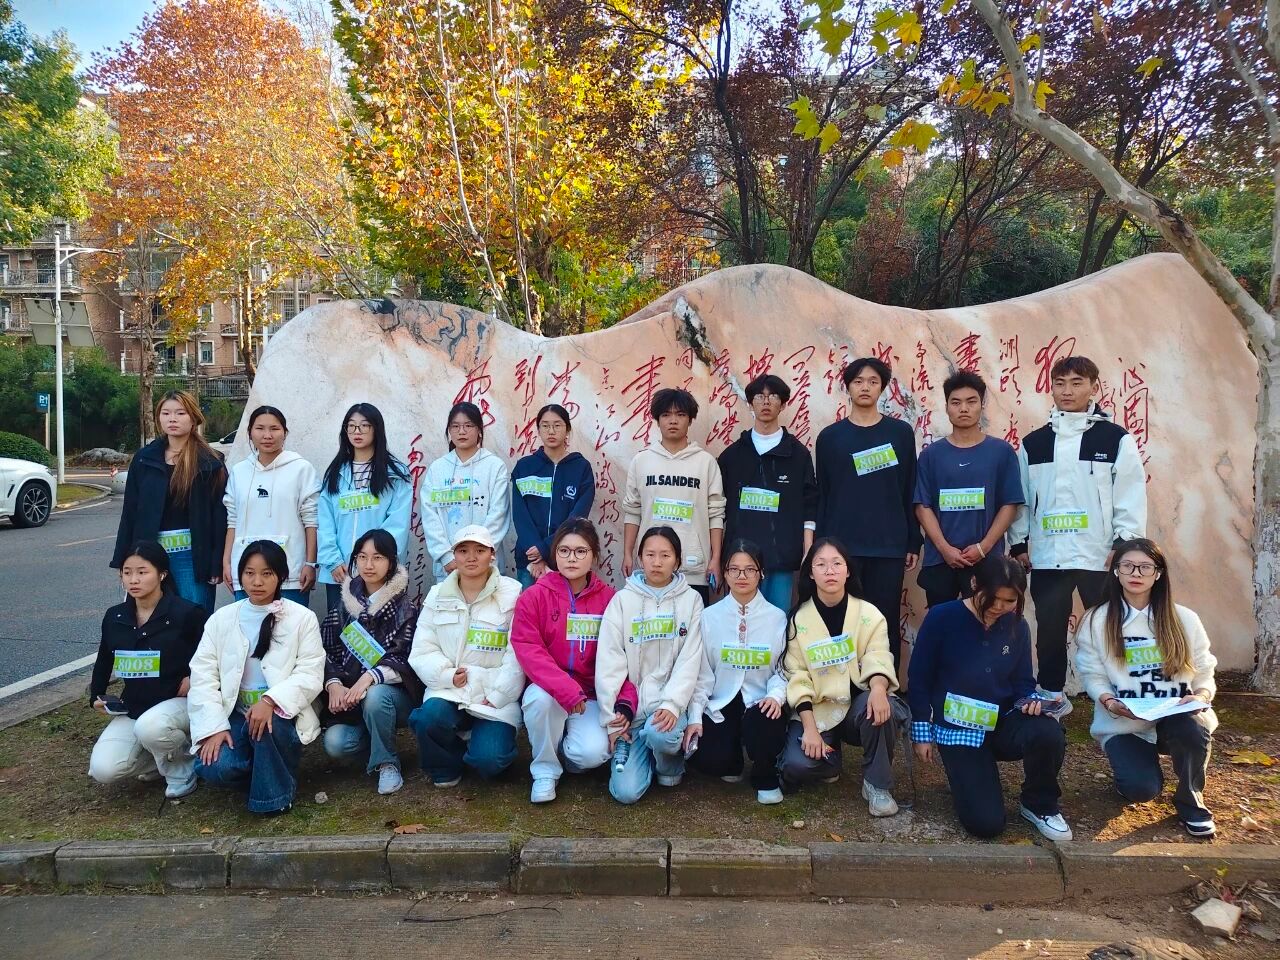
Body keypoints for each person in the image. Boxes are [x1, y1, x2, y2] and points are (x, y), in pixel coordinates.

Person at [1008, 355, 1147, 716]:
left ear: (1094, 387)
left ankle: (1123, 694)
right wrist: (1019, 542)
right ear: (1051, 388)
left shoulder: (1115, 439)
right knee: (1050, 629)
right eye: (1060, 383)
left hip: (1099, 554)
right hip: (1049, 554)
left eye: (1076, 383)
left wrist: (1124, 543)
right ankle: (1052, 695)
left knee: (1111, 625)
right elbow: (1022, 498)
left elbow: (1130, 492)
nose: (1067, 391)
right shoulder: (1034, 443)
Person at [908, 555, 1072, 841]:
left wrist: (1032, 702)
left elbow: (1022, 681)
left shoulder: (1017, 626)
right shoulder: (942, 618)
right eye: (993, 598)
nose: (999, 607)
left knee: (1048, 732)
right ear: (974, 584)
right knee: (986, 823)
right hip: (957, 731)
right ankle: (970, 777)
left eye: (1009, 601)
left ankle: (1039, 804)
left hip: (1002, 724)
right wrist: (921, 731)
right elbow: (920, 676)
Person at [1075, 539, 1218, 837]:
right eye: (1127, 566)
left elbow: (1204, 669)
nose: (1136, 573)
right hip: (1125, 721)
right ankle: (1134, 770)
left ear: (1159, 573)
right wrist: (1109, 701)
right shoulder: (1096, 620)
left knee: (1193, 729)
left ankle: (1192, 803)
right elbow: (1092, 674)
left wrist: (1201, 695)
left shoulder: (1184, 619)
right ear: (1116, 571)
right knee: (1141, 790)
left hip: (1175, 713)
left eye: (1145, 567)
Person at [189, 540, 324, 815]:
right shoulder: (221, 619)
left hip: (281, 713)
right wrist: (214, 727)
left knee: (266, 727)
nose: (257, 581)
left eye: (267, 573)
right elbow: (203, 676)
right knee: (216, 766)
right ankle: (267, 768)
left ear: (281, 576)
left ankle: (273, 800)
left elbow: (310, 672)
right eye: (249, 573)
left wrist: (270, 701)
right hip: (235, 712)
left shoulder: (302, 618)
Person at [511, 517, 636, 803]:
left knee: (591, 755)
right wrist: (564, 689)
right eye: (564, 551)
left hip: (591, 694)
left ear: (594, 556)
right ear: (554, 554)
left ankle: (565, 753)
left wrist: (625, 702)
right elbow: (528, 647)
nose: (571, 558)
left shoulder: (611, 600)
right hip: (550, 689)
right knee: (539, 701)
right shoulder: (534, 596)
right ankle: (545, 770)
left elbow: (625, 656)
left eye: (581, 551)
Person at [779, 538, 906, 817]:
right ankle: (830, 758)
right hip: (820, 710)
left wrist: (878, 689)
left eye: (837, 563)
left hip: (859, 709)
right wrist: (810, 729)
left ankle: (877, 785)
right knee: (796, 766)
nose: (830, 571)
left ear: (848, 570)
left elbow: (878, 654)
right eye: (821, 565)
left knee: (882, 707)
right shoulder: (799, 619)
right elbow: (797, 675)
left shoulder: (869, 614)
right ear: (810, 573)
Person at [814, 358, 921, 668]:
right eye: (858, 381)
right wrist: (822, 547)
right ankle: (844, 688)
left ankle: (885, 686)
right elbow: (824, 495)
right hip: (842, 549)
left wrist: (913, 541)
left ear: (882, 388)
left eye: (873, 381)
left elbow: (909, 488)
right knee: (842, 621)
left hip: (888, 546)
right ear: (847, 387)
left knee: (884, 621)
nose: (865, 387)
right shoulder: (830, 438)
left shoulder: (900, 433)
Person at [88, 540, 208, 799]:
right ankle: (157, 760)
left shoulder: (187, 614)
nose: (133, 580)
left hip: (180, 703)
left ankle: (183, 768)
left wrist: (194, 678)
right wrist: (97, 696)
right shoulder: (115, 616)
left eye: (142, 572)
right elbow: (104, 659)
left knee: (152, 727)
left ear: (162, 574)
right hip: (135, 707)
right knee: (104, 769)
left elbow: (213, 657)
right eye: (127, 572)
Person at [596, 525, 706, 804]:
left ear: (677, 561)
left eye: (665, 555)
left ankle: (668, 762)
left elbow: (690, 659)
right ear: (639, 558)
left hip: (668, 708)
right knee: (626, 793)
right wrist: (612, 719)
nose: (657, 562)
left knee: (661, 736)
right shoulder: (622, 600)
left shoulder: (692, 600)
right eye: (650, 554)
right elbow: (609, 661)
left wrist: (672, 704)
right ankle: (640, 749)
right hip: (632, 710)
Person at [408, 525, 524, 786]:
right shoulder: (438, 595)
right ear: (454, 555)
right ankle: (446, 765)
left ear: (492, 555)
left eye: (479, 550)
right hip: (451, 690)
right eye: (463, 551)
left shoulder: (512, 593)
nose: (471, 557)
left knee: (490, 761)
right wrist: (447, 675)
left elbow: (518, 651)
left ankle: (481, 744)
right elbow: (423, 648)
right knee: (428, 718)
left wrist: (500, 694)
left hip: (492, 695)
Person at [319, 528, 424, 796]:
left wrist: (369, 677)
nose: (368, 564)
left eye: (377, 557)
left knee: (376, 696)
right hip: (352, 699)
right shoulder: (344, 605)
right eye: (362, 557)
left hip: (395, 698)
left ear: (391, 562)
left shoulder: (406, 609)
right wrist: (334, 683)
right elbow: (325, 650)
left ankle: (387, 763)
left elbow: (407, 659)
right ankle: (377, 743)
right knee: (335, 743)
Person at [686, 539, 789, 804]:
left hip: (760, 699)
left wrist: (776, 696)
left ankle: (765, 772)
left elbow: (783, 669)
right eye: (734, 569)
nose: (741, 576)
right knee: (712, 761)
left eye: (750, 569)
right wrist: (695, 715)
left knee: (765, 722)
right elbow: (702, 672)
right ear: (725, 572)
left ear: (761, 573)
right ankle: (732, 759)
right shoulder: (710, 617)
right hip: (722, 699)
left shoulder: (777, 618)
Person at [914, 371, 1023, 607]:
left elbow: (1009, 504)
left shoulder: (1001, 452)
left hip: (987, 561)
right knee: (941, 622)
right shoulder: (931, 454)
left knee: (986, 621)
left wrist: (984, 548)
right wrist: (944, 549)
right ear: (946, 407)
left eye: (971, 401)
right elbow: (923, 506)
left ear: (982, 405)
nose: (963, 408)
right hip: (940, 560)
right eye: (956, 402)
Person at [112, 391, 227, 613]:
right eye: (166, 413)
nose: (172, 419)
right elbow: (130, 513)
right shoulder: (144, 458)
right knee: (150, 620)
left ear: (193, 418)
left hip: (192, 557)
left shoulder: (210, 461)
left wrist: (216, 562)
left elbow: (219, 516)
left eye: (180, 413)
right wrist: (123, 560)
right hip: (149, 555)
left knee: (194, 620)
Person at [717, 374, 818, 612]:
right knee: (739, 621)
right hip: (739, 560)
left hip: (781, 558)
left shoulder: (798, 455)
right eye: (759, 397)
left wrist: (808, 550)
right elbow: (718, 510)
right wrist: (718, 555)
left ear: (782, 405)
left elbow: (809, 505)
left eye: (773, 396)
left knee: (777, 619)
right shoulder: (732, 456)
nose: (765, 402)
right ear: (750, 404)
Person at [622, 388, 726, 604]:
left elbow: (716, 514)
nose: (673, 421)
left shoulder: (706, 462)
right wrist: (628, 553)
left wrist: (715, 559)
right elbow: (632, 511)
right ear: (657, 420)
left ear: (690, 420)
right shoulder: (641, 461)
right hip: (651, 568)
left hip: (694, 569)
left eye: (680, 414)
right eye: (666, 415)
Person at [317, 403, 413, 612]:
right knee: (340, 628)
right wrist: (333, 561)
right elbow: (325, 521)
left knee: (380, 628)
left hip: (379, 574)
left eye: (364, 426)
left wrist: (375, 562)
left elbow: (398, 523)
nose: (357, 431)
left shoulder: (395, 474)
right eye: (351, 426)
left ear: (376, 429)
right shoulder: (335, 473)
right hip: (340, 572)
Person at [222, 406, 319, 603]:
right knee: (248, 623)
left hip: (290, 573)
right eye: (260, 428)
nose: (267, 435)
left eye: (274, 428)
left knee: (289, 623)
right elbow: (232, 520)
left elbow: (311, 520)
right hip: (247, 573)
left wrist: (310, 563)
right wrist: (227, 562)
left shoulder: (301, 468)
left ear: (285, 432)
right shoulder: (239, 471)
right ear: (250, 433)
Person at [421, 401, 512, 582]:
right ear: (449, 430)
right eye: (455, 426)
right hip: (449, 567)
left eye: (468, 426)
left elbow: (498, 514)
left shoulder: (494, 466)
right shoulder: (438, 469)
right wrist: (446, 556)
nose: (461, 431)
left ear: (479, 430)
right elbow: (430, 516)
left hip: (487, 565)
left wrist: (479, 555)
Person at [510, 404, 595, 589]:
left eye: (557, 425)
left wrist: (546, 547)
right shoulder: (524, 467)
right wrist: (537, 554)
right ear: (538, 430)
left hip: (567, 560)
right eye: (545, 425)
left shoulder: (581, 468)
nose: (551, 431)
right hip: (530, 561)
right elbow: (520, 515)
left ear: (567, 429)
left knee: (566, 607)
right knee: (529, 606)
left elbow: (578, 516)